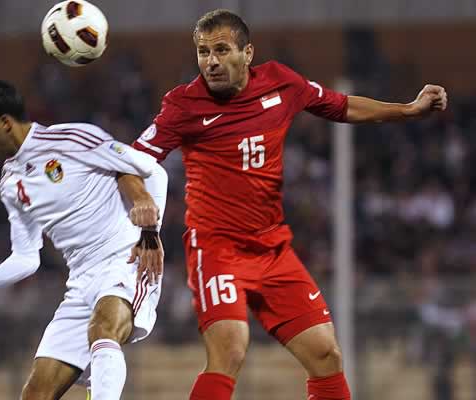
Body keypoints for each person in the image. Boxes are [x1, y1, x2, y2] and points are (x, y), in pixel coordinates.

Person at [131, 9, 447, 400]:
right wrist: (142, 202)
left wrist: (408, 110)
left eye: (221, 50)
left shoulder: (281, 82)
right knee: (231, 347)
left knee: (325, 354)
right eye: (202, 52)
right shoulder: (183, 105)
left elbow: (340, 105)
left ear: (248, 53)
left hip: (271, 249)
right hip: (216, 249)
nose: (210, 62)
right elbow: (131, 162)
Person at [0, 80, 168, 400]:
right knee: (36, 393)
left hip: (125, 260)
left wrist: (150, 233)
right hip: (80, 282)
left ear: (5, 123)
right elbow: (26, 257)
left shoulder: (73, 138)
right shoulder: (10, 183)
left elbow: (153, 172)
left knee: (103, 329)